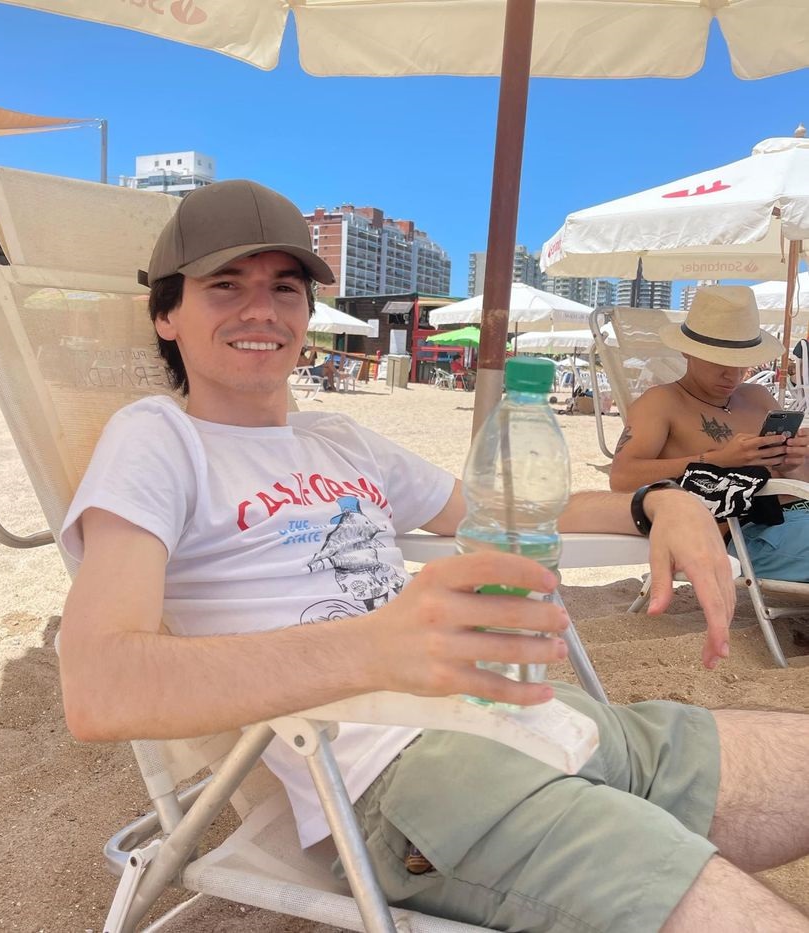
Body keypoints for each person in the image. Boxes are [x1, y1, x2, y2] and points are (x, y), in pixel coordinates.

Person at [57, 182, 809, 931]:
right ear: (165, 314)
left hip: (535, 716)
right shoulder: (157, 438)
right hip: (411, 781)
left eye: (285, 288)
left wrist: (660, 502)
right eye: (225, 285)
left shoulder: (339, 439)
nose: (262, 310)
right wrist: (376, 646)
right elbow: (101, 686)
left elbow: (507, 511)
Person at [610, 285, 809, 582]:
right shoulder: (661, 402)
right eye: (719, 361)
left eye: (741, 362)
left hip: (798, 517)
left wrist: (793, 461)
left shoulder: (757, 396)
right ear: (687, 351)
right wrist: (717, 460)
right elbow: (621, 478)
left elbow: (798, 482)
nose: (733, 374)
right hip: (743, 534)